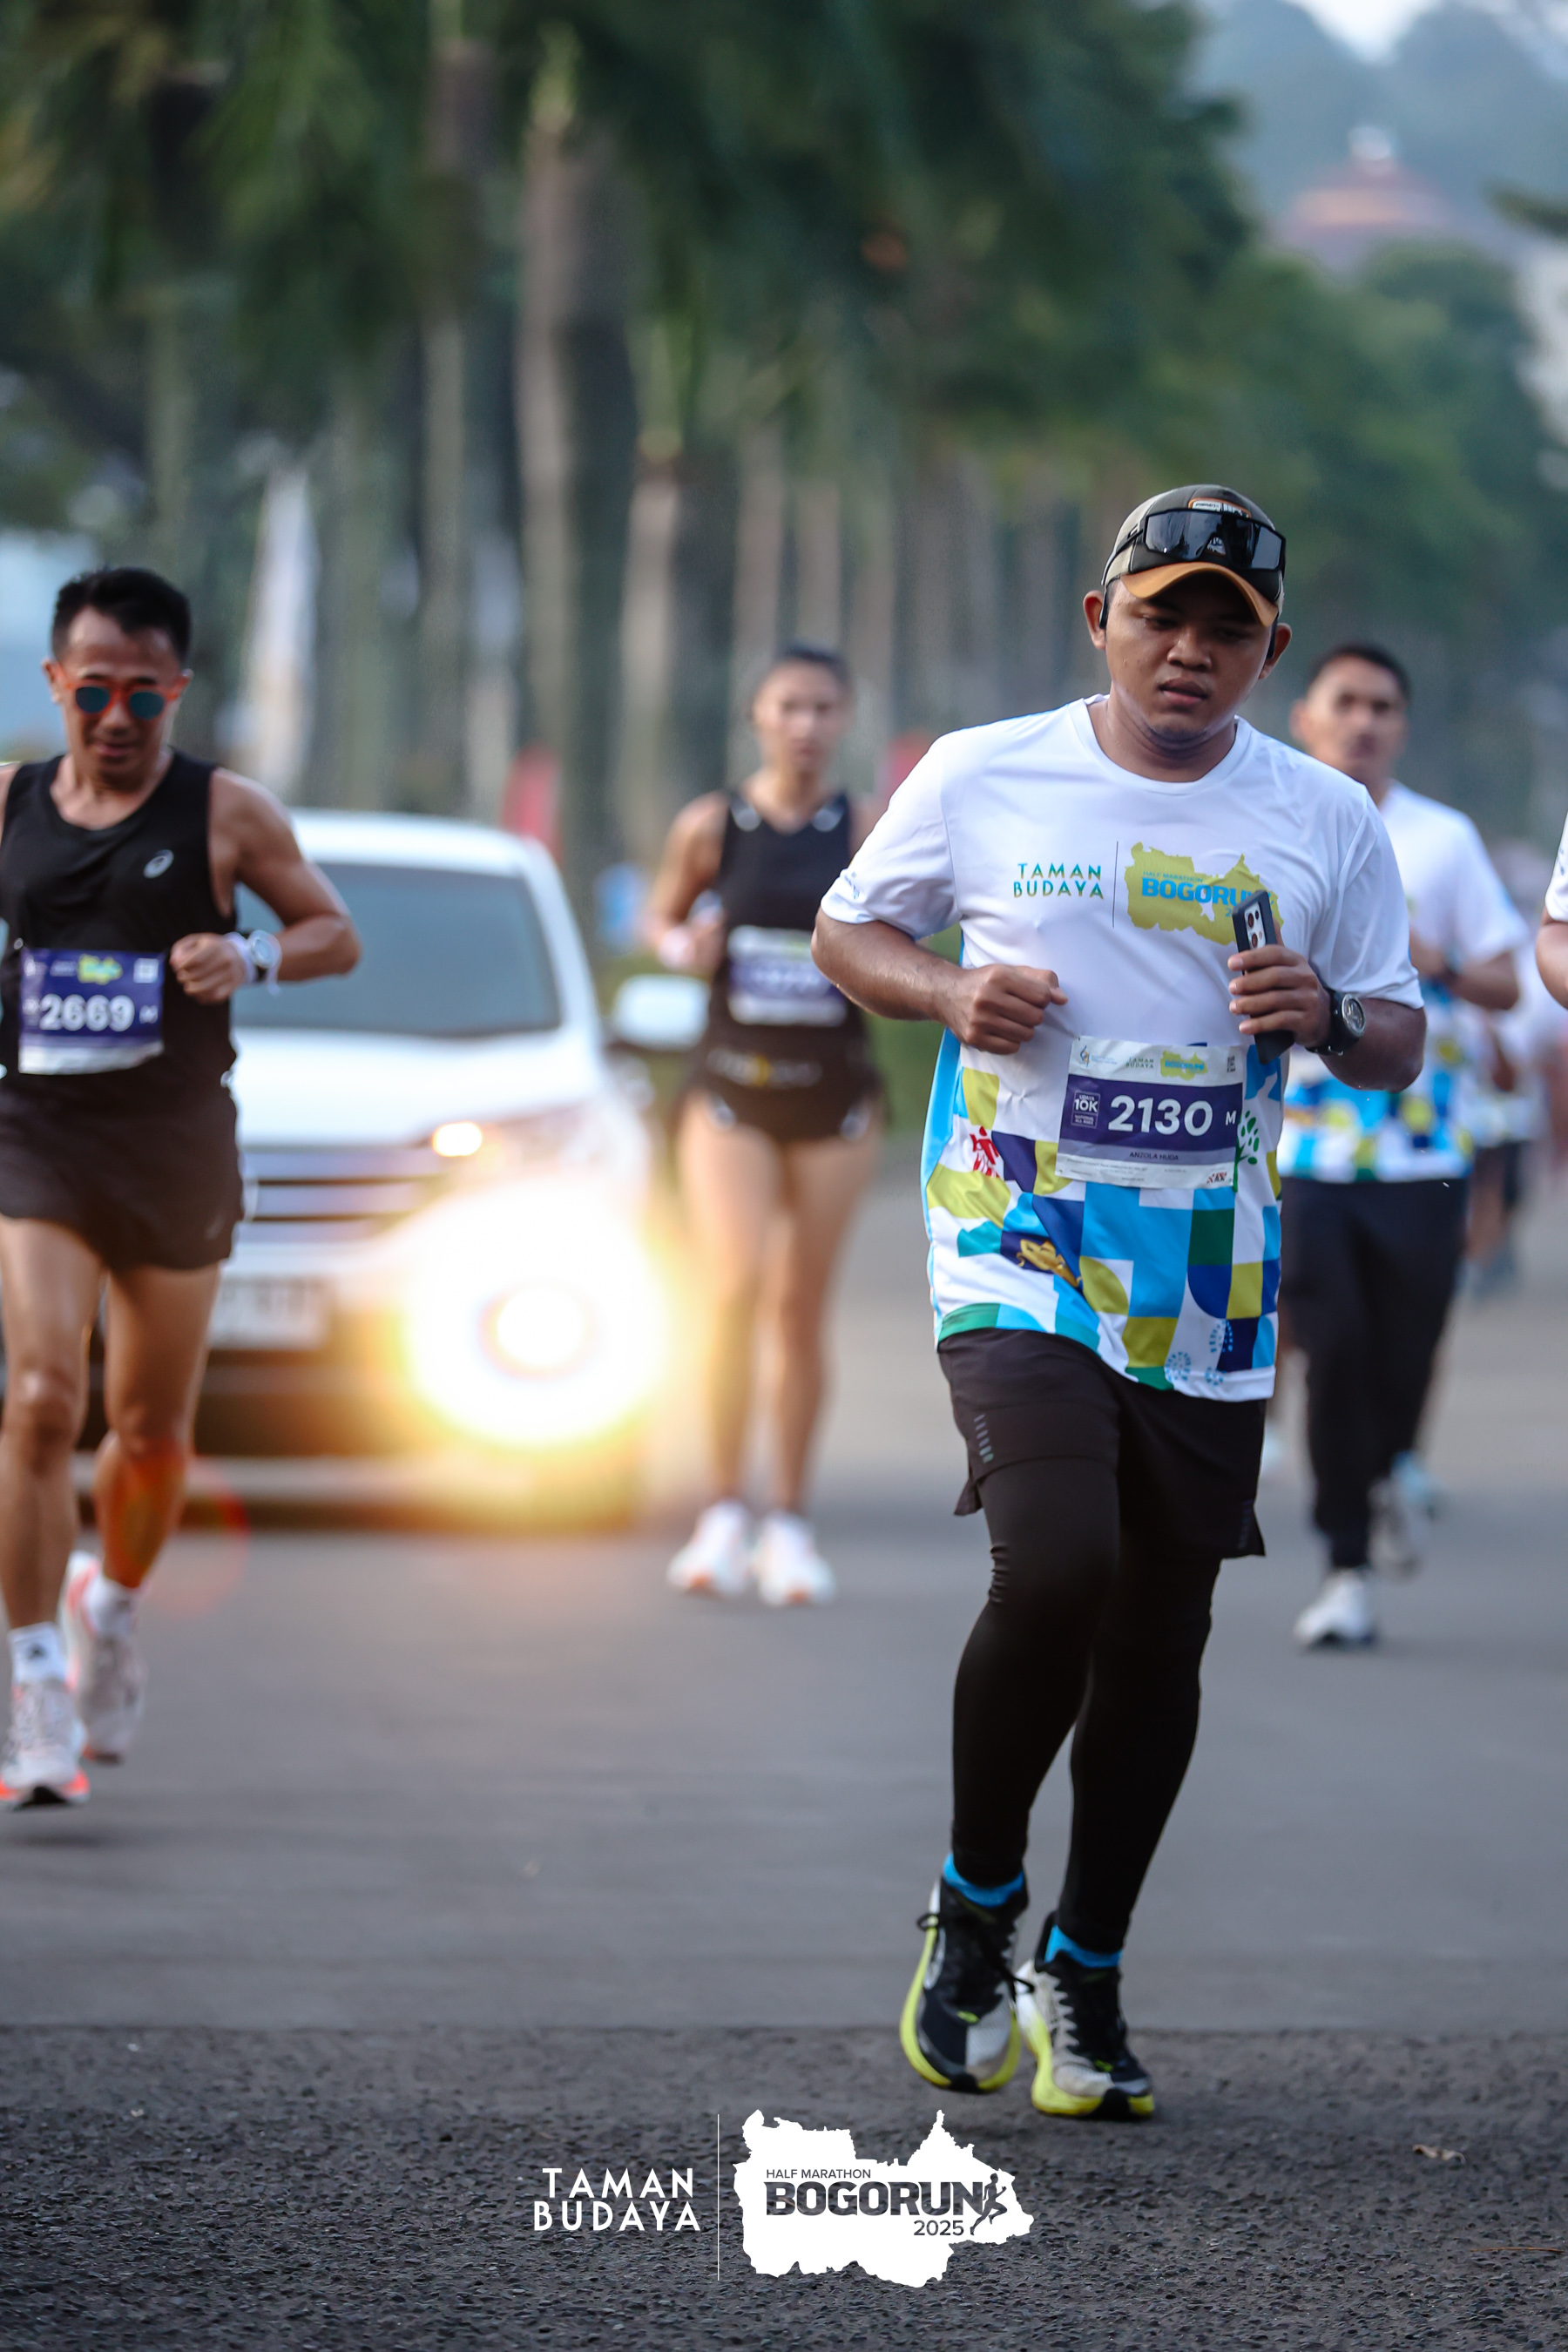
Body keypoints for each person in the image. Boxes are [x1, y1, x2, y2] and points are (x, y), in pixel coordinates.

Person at [814, 486, 1423, 2119]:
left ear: (1271, 653)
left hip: (1209, 1268)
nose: (1190, 651)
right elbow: (848, 930)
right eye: (1163, 616)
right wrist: (948, 988)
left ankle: (1084, 1966)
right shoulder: (983, 772)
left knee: (1161, 1625)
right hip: (1014, 1229)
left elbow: (1400, 1031)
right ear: (1103, 621)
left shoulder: (1325, 816)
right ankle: (976, 1901)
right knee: (1060, 1555)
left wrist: (1328, 1013)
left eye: (1229, 628)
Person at [0, 566, 359, 1808]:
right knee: (40, 1399)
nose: (116, 718)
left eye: (143, 697)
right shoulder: (10, 804)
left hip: (173, 1146)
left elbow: (335, 933)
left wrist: (250, 953)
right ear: (56, 682)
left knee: (151, 1433)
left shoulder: (226, 812)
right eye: (93, 691)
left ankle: (112, 1603)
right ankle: (33, 1679)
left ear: (178, 691)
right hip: (38, 1135)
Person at [1280, 645, 1524, 1648]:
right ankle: (1344, 1565)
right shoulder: (1270, 824)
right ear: (1304, 717)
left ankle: (1384, 1470)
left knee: (1405, 1350)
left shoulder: (1443, 840)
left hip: (1424, 1147)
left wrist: (1441, 962)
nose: (1363, 722)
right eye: (1345, 702)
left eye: (1382, 707)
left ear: (1403, 727)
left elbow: (1509, 980)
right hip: (1306, 1148)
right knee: (1331, 1347)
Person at [645, 644, 882, 1607]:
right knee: (732, 1283)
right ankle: (721, 1509)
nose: (806, 725)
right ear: (758, 716)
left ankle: (788, 1519)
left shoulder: (866, 826)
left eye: (823, 708)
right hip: (731, 1090)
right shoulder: (714, 825)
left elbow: (910, 926)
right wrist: (684, 944)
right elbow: (660, 920)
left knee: (799, 1307)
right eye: (789, 706)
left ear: (844, 718)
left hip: (834, 1096)